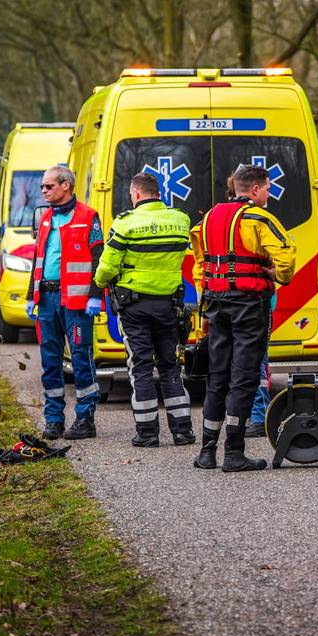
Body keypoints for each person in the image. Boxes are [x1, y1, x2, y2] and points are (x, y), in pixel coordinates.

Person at [191, 164, 295, 472]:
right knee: (244, 377)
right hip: (249, 305)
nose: (268, 194)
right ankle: (234, 452)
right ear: (254, 190)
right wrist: (279, 275)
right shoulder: (259, 218)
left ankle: (207, 451)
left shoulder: (208, 218)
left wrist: (205, 304)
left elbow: (202, 265)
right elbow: (287, 255)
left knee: (217, 376)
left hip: (216, 303)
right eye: (266, 189)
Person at [94, 172, 195, 447]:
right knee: (170, 366)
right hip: (169, 306)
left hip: (135, 307)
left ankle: (148, 433)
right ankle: (183, 431)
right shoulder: (180, 220)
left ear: (136, 194)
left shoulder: (125, 223)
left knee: (140, 367)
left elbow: (108, 264)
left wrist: (100, 282)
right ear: (158, 192)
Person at [26, 165, 105, 441]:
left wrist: (96, 294)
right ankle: (54, 420)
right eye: (43, 187)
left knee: (82, 359)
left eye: (48, 186)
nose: (44, 191)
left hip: (77, 302)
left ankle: (85, 419)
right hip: (47, 299)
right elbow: (39, 259)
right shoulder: (46, 218)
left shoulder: (88, 217)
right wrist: (30, 296)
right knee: (50, 362)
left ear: (65, 186)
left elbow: (100, 260)